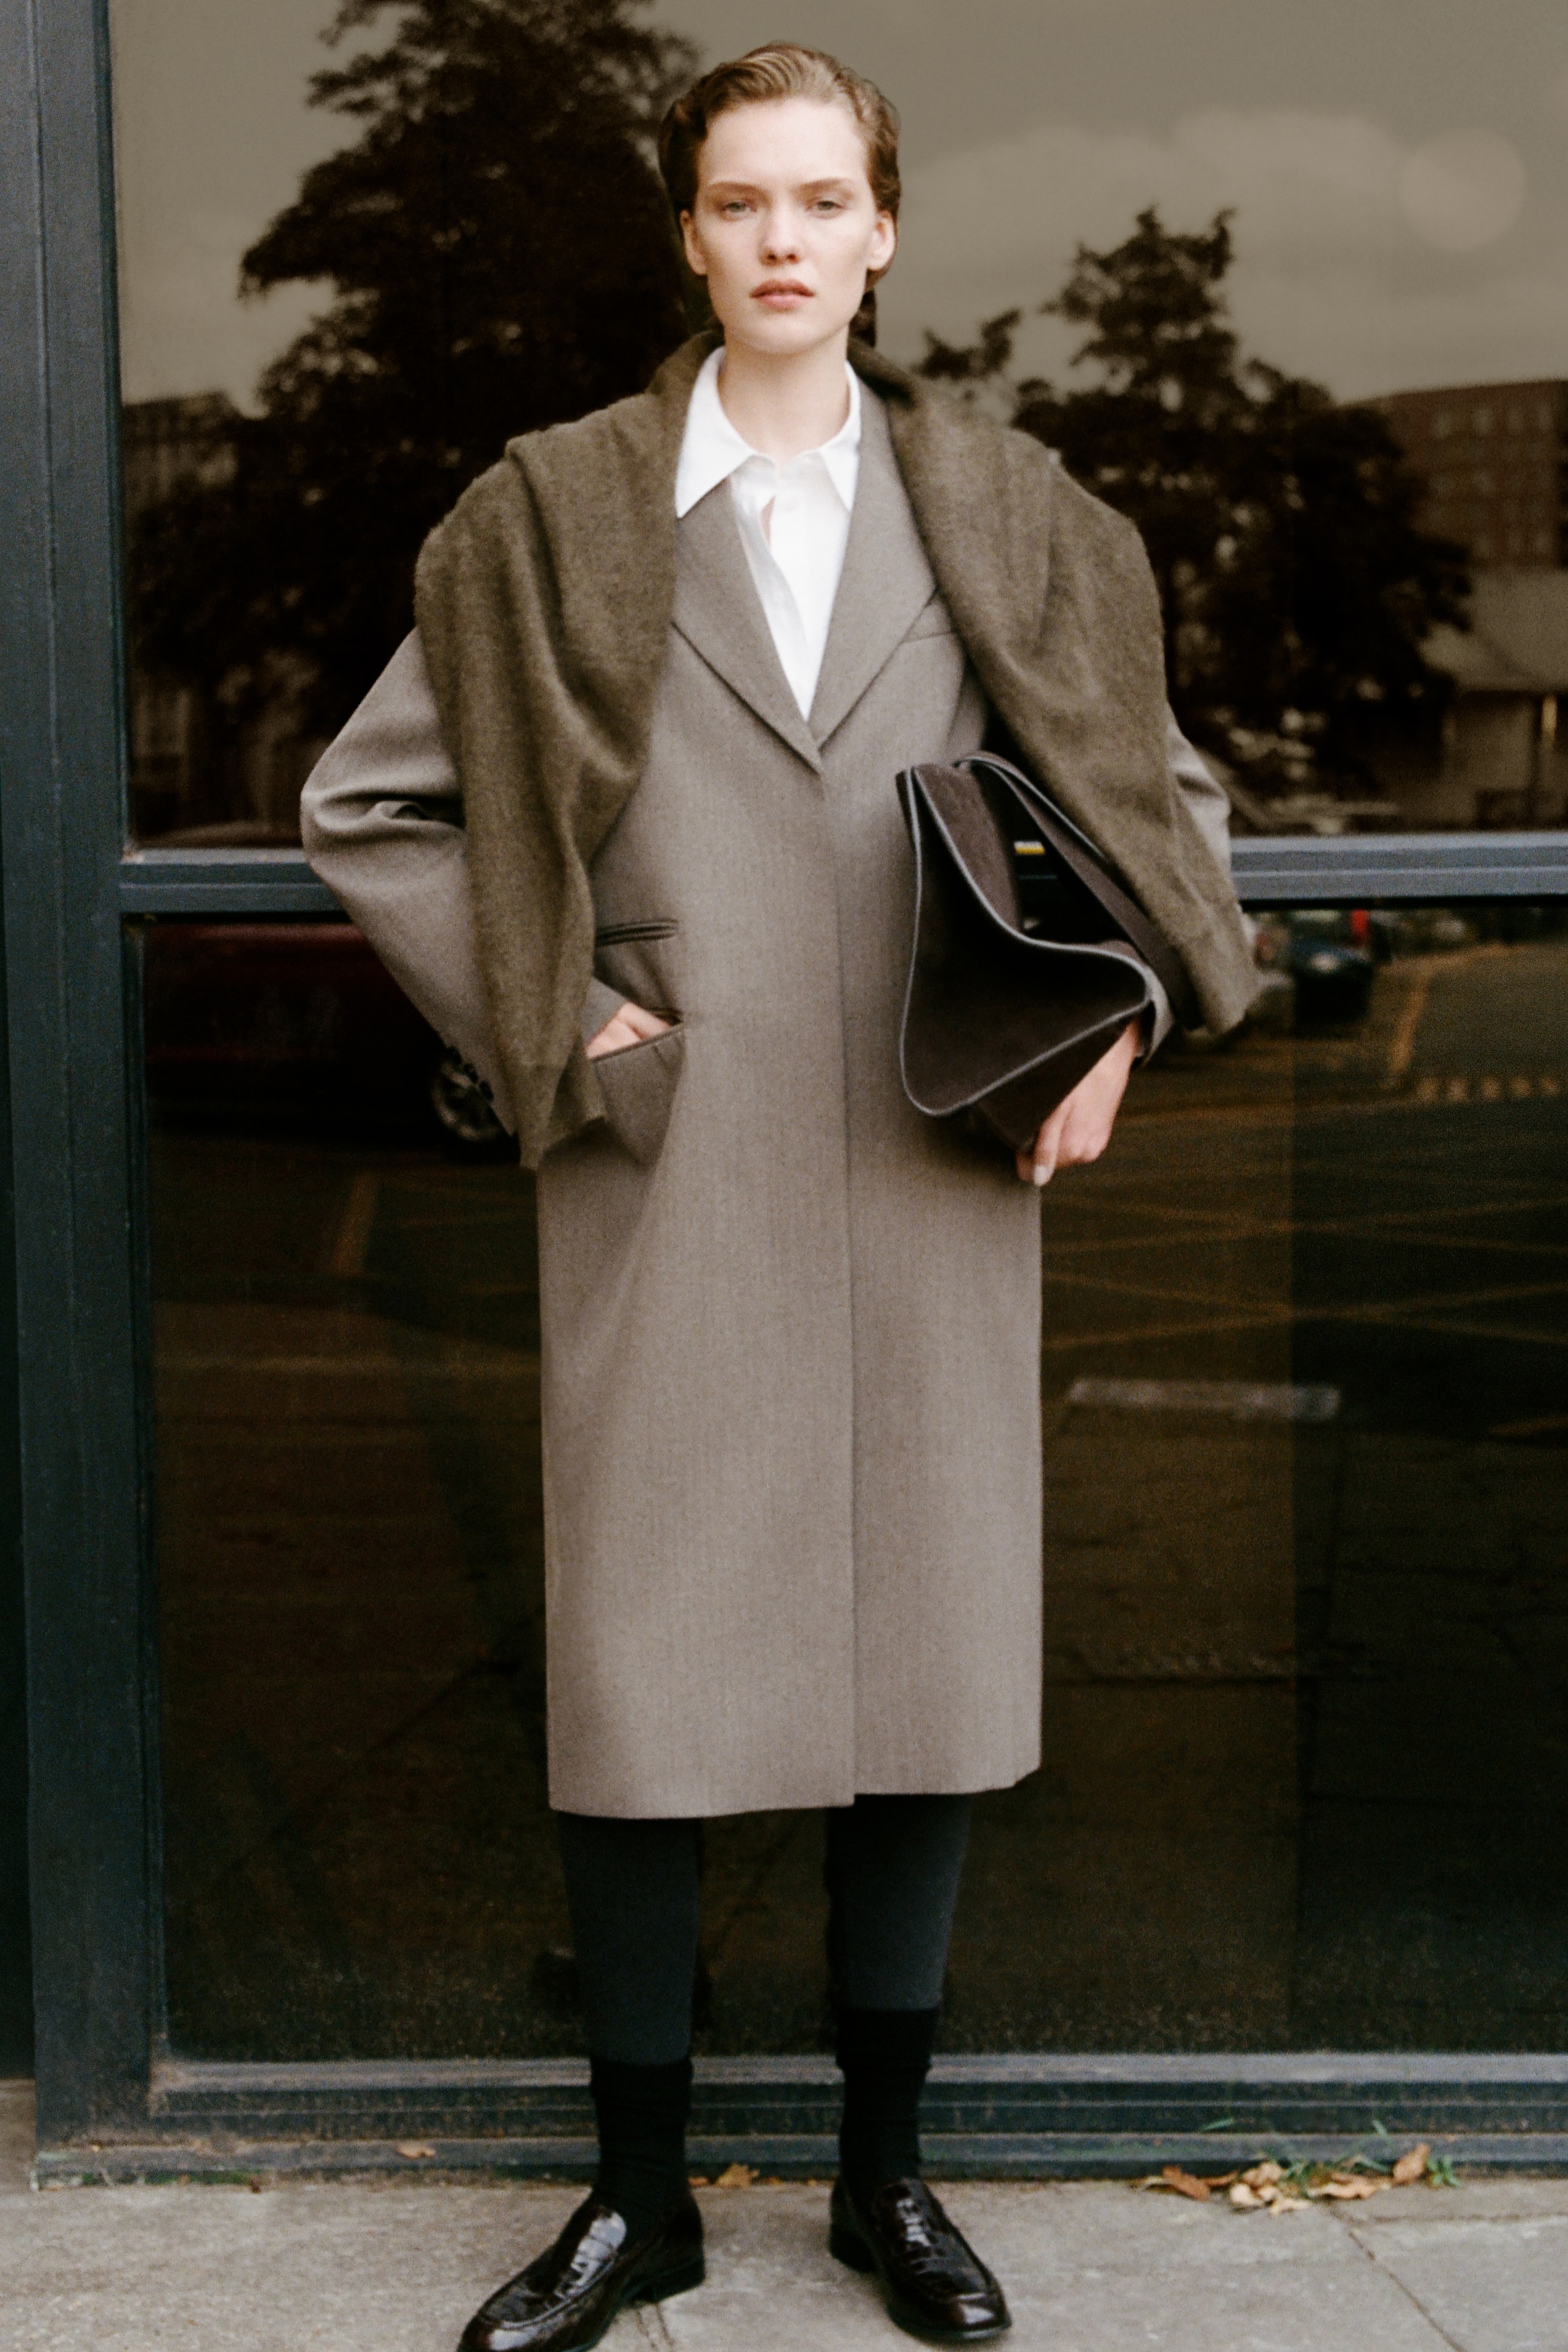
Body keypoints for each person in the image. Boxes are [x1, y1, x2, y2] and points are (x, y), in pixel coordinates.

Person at [302, 42, 1255, 2351]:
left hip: (936, 1165)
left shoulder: (1006, 513)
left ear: (886, 229)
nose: (786, 243)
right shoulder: (554, 517)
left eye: (827, 201)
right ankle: (639, 2202)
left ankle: (883, 2186)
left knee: (920, 1672)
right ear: (691, 239)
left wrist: (1109, 1018)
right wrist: (567, 1031)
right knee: (645, 1687)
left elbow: (1170, 799)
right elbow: (369, 805)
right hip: (673, 1167)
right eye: (743, 205)